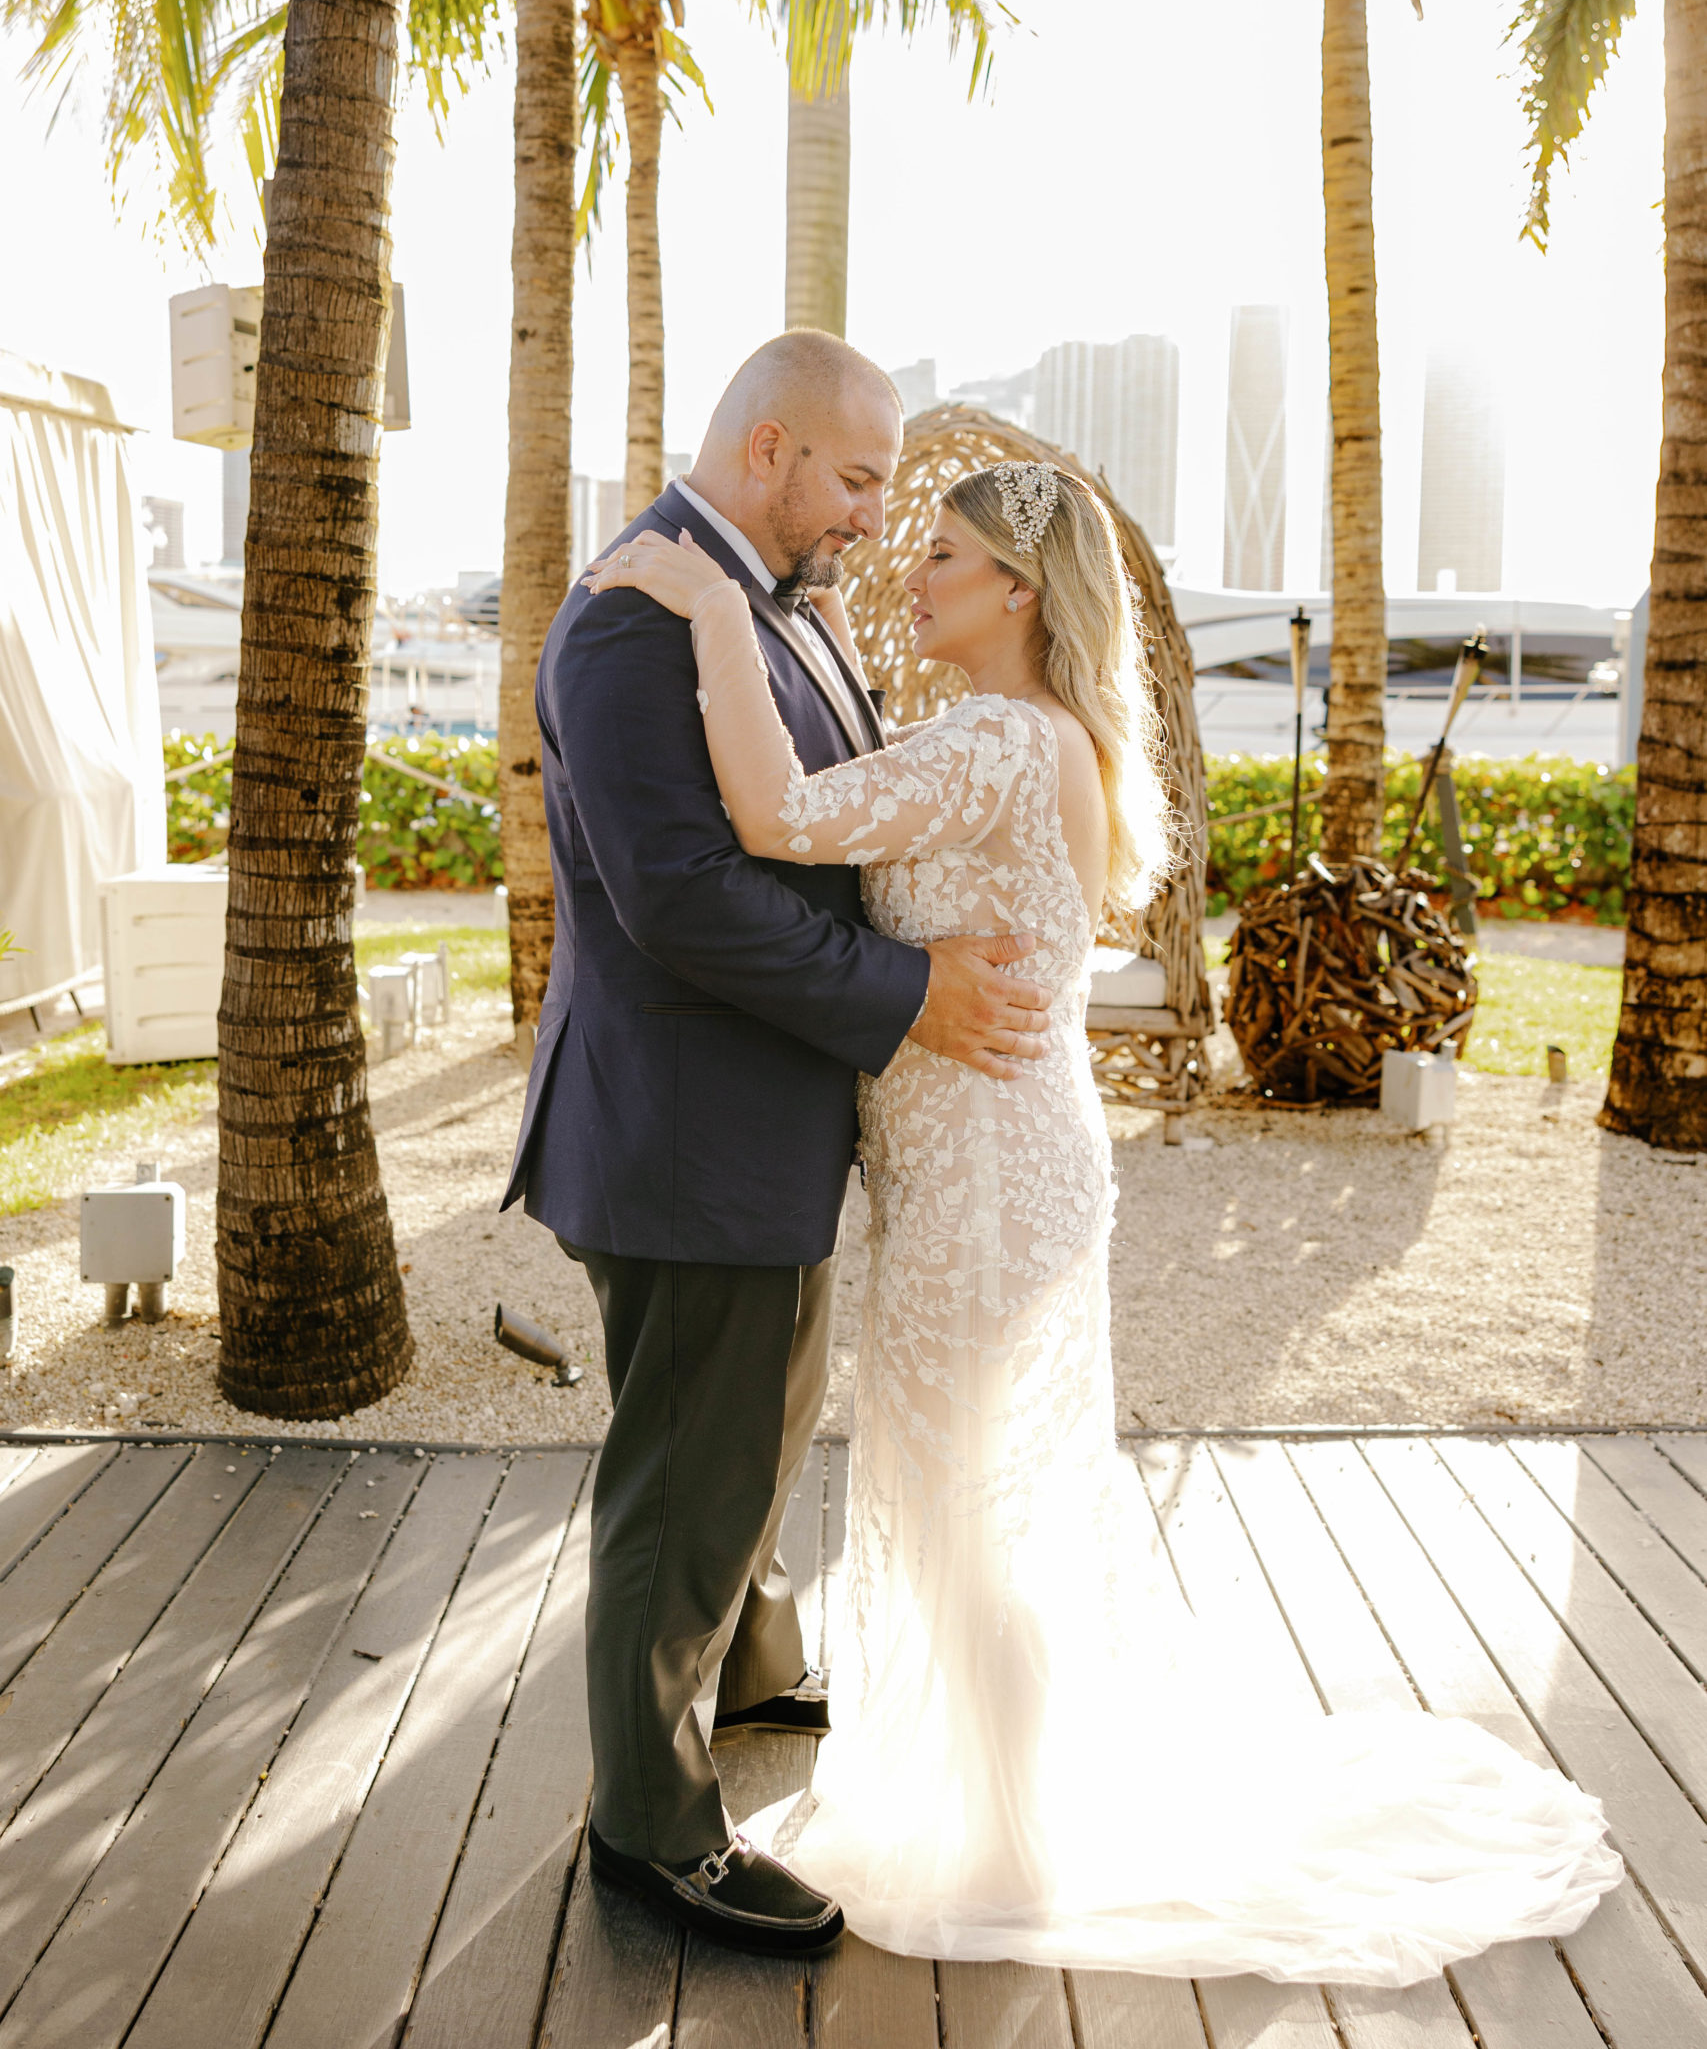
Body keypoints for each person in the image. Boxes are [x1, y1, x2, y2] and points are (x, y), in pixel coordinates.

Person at [587, 454, 1623, 1984]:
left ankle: (1008, 1846)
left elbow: (780, 812)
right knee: (985, 1495)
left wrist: (705, 605)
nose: (911, 574)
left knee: (970, 1510)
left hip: (989, 1182)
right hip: (1010, 1158)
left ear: (1015, 590)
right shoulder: (1038, 735)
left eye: (940, 554)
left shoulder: (1001, 740)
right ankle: (1009, 1811)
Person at [500, 332, 1056, 1960]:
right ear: (766, 454)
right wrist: (910, 1002)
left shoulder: (761, 604)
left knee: (755, 1422)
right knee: (687, 1478)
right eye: (861, 478)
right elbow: (679, 901)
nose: (878, 518)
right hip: (685, 1139)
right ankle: (652, 1835)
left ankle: (746, 1673)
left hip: (749, 1128)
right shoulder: (627, 622)